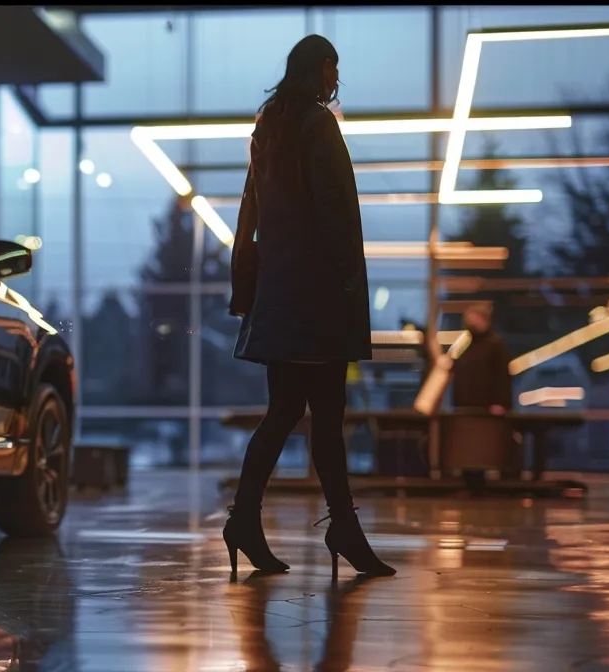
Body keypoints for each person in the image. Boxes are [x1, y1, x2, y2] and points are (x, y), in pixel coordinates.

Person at [224, 34, 395, 577]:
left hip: (279, 292)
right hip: (317, 295)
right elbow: (333, 208)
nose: (334, 80)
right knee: (324, 415)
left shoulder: (268, 126)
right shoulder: (317, 124)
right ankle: (340, 528)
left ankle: (249, 520)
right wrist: (347, 279)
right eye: (333, 70)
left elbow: (255, 212)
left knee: (287, 412)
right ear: (323, 68)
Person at [451, 304, 512, 416]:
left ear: (485, 320)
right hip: (464, 407)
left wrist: (500, 403)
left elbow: (503, 376)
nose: (471, 323)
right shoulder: (465, 345)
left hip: (487, 409)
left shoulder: (496, 344)